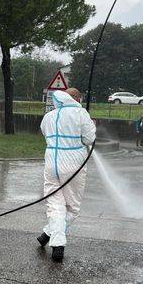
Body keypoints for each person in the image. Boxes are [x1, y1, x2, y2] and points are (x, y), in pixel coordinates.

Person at [37, 88, 96, 262]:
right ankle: (58, 245)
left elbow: (44, 132)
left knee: (55, 205)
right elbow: (89, 139)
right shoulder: (80, 113)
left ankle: (48, 234)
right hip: (73, 165)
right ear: (77, 98)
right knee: (72, 207)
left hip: (51, 164)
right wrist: (91, 125)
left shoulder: (49, 116)